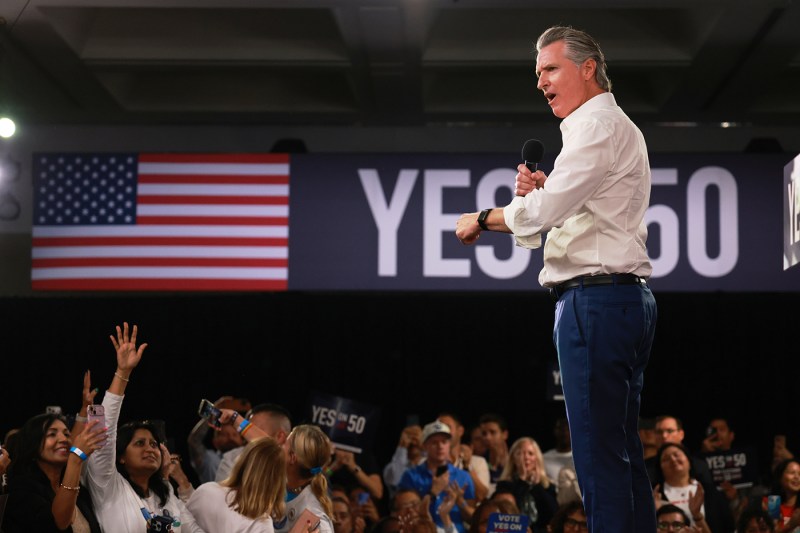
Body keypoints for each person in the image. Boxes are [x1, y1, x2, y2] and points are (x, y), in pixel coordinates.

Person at [455, 24, 657, 532]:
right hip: (620, 299)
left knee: (595, 454)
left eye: (550, 69)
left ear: (587, 68)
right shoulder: (606, 129)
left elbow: (538, 217)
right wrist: (544, 193)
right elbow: (565, 212)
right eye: (537, 73)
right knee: (620, 449)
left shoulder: (596, 126)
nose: (540, 82)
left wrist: (483, 217)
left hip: (597, 300)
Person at [84, 322, 203, 532]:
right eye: (139, 443)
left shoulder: (165, 495)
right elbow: (105, 432)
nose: (150, 449)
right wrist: (123, 373)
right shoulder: (108, 486)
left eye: (154, 444)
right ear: (120, 456)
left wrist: (168, 478)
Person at [2, 410, 106, 532]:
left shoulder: (80, 491)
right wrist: (76, 459)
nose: (63, 439)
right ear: (33, 445)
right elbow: (58, 525)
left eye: (67, 434)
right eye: (52, 434)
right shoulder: (20, 490)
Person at [186, 437, 286, 533]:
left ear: (243, 461)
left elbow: (179, 525)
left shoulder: (206, 491)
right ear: (278, 480)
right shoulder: (262, 525)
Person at [398, 420, 476, 533]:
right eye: (434, 442)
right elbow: (405, 514)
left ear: (449, 444)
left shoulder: (464, 477)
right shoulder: (410, 476)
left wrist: (460, 501)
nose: (440, 446)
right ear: (424, 446)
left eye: (444, 442)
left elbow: (472, 520)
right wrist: (433, 493)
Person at [652, 442, 732, 533]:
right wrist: (656, 513)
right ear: (660, 468)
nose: (673, 459)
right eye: (666, 459)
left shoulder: (710, 492)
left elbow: (728, 526)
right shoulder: (653, 496)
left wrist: (697, 515)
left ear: (689, 461)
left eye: (676, 455)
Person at [215, 402, 292, 482]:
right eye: (244, 429)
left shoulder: (294, 467)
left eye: (253, 430)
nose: (246, 435)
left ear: (280, 437)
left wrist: (235, 418)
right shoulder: (232, 459)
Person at [494, 437, 558, 533]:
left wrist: (537, 486)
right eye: (520, 454)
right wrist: (522, 480)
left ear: (537, 459)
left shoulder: (547, 485)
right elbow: (509, 513)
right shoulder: (504, 485)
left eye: (530, 454)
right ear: (513, 459)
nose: (526, 457)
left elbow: (553, 514)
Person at [186, 395, 249, 484]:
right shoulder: (210, 460)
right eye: (224, 434)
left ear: (243, 441)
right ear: (215, 442)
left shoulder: (251, 460)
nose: (230, 437)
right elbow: (194, 441)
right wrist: (214, 411)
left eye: (235, 435)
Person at [437, 412, 491, 502]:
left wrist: (467, 466)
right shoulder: (428, 462)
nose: (443, 431)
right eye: (439, 428)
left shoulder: (478, 462)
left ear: (460, 431)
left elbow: (481, 496)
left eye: (448, 427)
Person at [383, 423, 424, 501]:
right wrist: (402, 446)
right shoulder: (390, 469)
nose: (413, 442)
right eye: (409, 436)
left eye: (416, 437)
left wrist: (424, 445)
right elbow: (396, 480)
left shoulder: (431, 464)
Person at [762, 458, 800, 532]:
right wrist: (790, 525)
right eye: (792, 473)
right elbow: (772, 531)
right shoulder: (773, 502)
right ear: (780, 477)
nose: (797, 477)